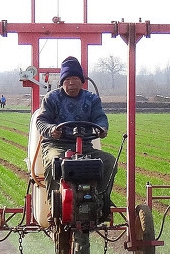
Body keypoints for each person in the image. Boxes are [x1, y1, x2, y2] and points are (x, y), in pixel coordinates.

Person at [35, 56, 117, 208]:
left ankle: (100, 199)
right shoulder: (51, 98)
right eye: (67, 79)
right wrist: (51, 129)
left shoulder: (91, 99)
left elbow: (100, 117)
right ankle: (55, 206)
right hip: (57, 145)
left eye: (74, 78)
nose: (71, 83)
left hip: (84, 145)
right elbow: (41, 121)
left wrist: (102, 128)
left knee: (109, 162)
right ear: (61, 82)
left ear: (81, 80)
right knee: (55, 163)